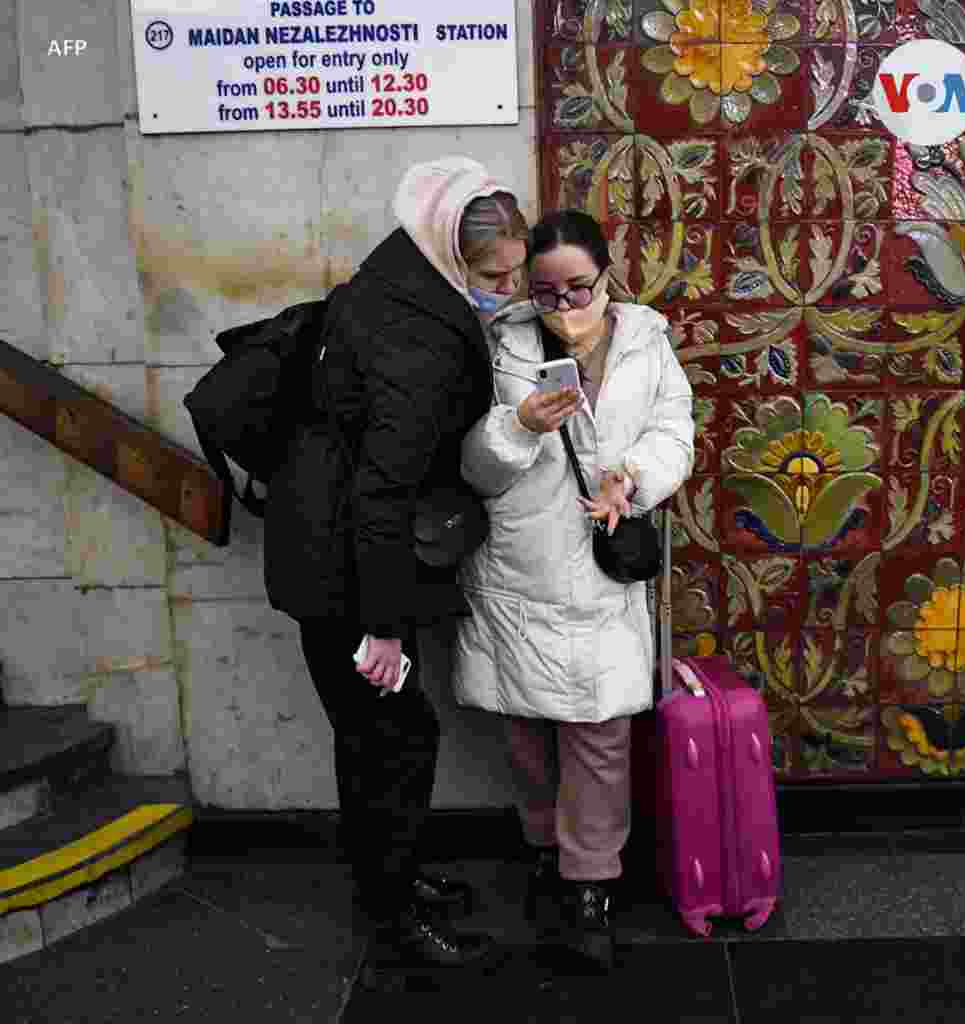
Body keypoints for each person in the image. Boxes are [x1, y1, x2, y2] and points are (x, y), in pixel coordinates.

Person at [261, 157, 529, 989]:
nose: (506, 289)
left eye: (515, 270)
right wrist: (381, 626)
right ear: (453, 253)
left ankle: (390, 878)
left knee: (374, 737)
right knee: (397, 739)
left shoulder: (392, 273)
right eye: (495, 275)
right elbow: (382, 490)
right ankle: (395, 919)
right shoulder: (421, 340)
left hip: (324, 545)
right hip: (348, 565)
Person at [452, 209, 695, 971]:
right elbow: (472, 469)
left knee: (600, 736)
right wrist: (517, 425)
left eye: (578, 288)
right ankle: (541, 850)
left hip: (601, 567)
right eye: (546, 292)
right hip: (521, 567)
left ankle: (591, 884)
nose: (564, 307)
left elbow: (675, 432)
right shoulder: (501, 346)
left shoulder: (647, 342)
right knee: (527, 735)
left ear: (606, 275)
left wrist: (636, 477)